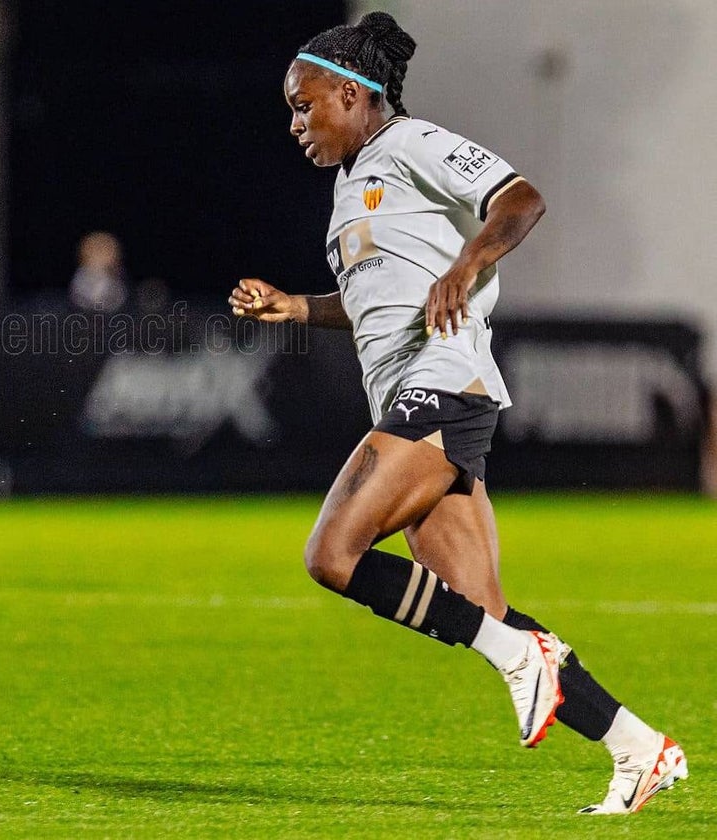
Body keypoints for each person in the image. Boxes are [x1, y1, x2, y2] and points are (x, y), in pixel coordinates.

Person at [230, 12, 686, 814]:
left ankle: (521, 660)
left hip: (443, 384)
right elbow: (377, 300)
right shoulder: (353, 185)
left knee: (332, 555)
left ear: (351, 92)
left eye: (305, 106)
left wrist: (467, 267)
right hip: (419, 390)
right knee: (484, 610)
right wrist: (297, 307)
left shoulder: (409, 143)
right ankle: (638, 749)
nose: (296, 124)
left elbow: (522, 198)